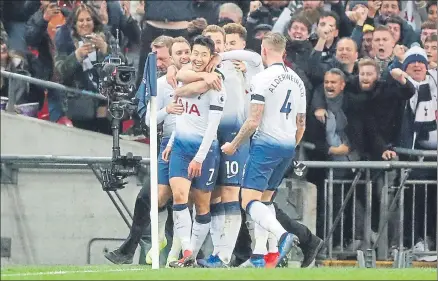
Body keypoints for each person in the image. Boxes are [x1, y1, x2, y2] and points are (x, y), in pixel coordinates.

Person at [221, 32, 305, 268]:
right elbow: (301, 124)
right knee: (264, 200)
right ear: (284, 52)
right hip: (288, 146)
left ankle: (282, 236)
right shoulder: (297, 80)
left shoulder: (263, 78)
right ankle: (260, 255)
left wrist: (233, 144)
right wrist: (291, 146)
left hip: (266, 144)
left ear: (264, 51)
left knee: (247, 199)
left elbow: (253, 120)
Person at [162, 35, 227, 268]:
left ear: (211, 57)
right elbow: (182, 112)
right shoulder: (188, 74)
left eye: (203, 54)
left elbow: (213, 127)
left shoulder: (218, 85)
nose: (197, 58)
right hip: (180, 147)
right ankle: (187, 250)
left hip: (205, 151)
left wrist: (200, 157)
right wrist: (171, 142)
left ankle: (193, 253)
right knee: (179, 197)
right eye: (195, 53)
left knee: (202, 206)